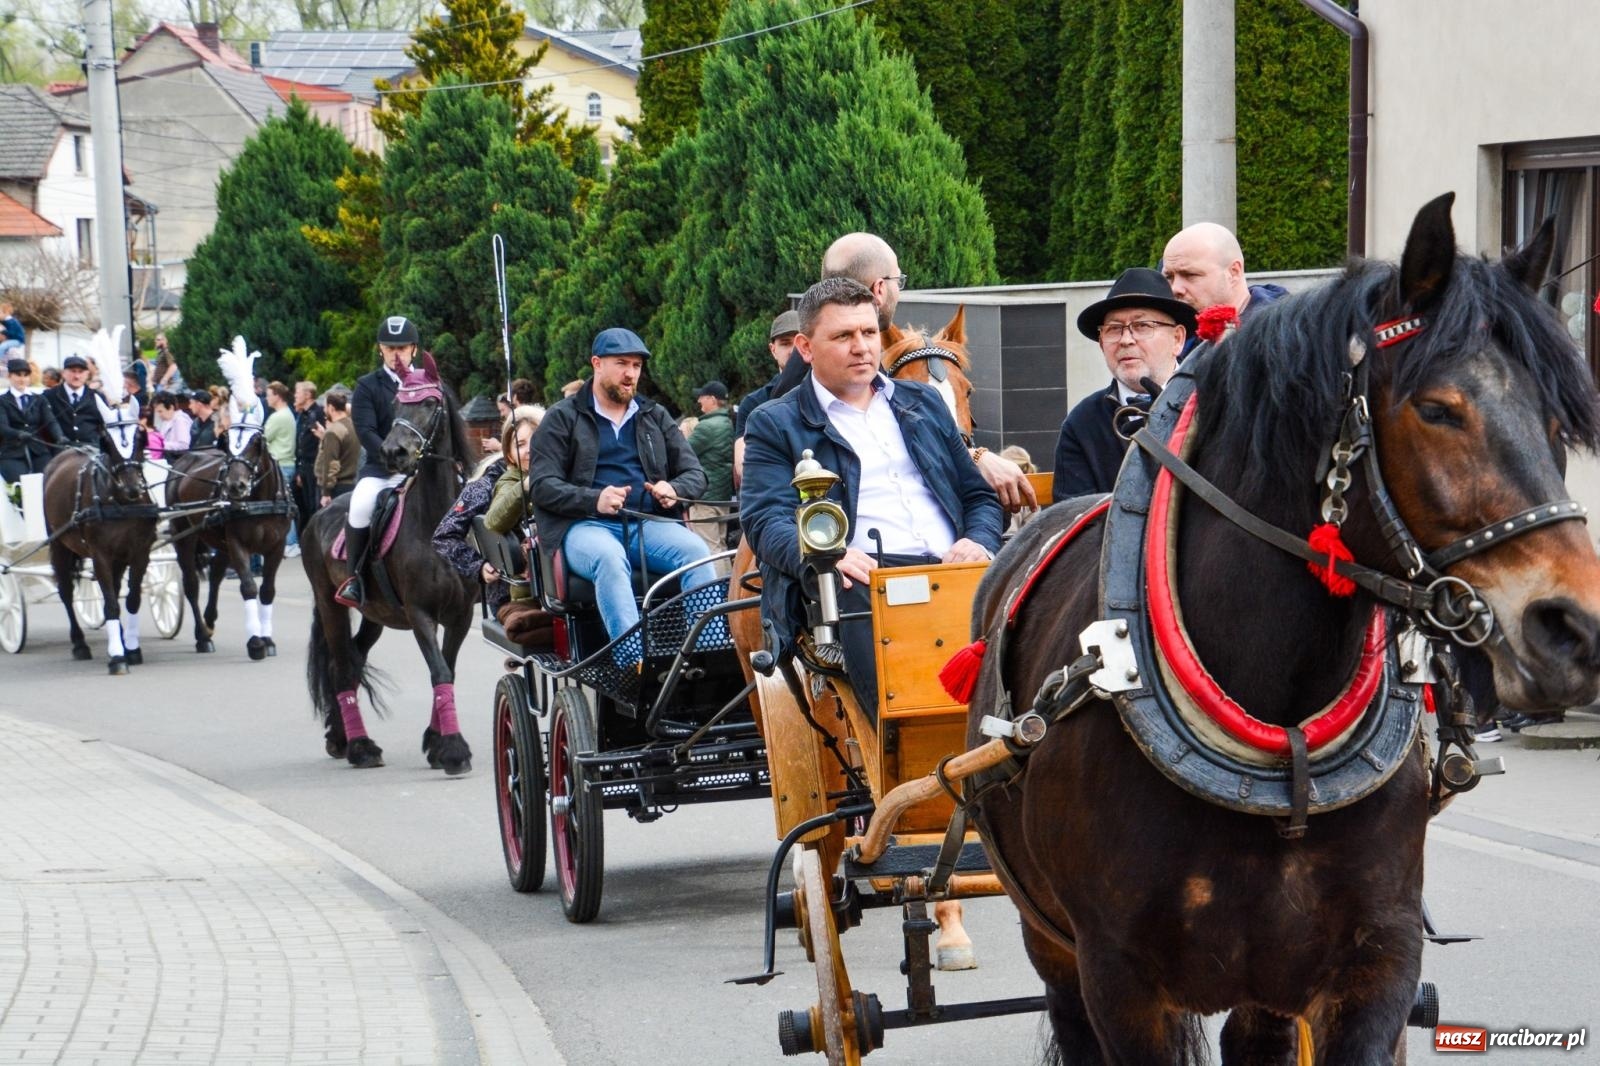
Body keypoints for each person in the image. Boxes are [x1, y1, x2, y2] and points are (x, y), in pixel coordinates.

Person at [741, 277, 1004, 723]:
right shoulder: (775, 423)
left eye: (868, 333)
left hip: (957, 566)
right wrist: (827, 556)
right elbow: (766, 520)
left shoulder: (922, 402)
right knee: (861, 601)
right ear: (805, 348)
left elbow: (977, 495)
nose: (862, 347)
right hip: (864, 582)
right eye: (843, 336)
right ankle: (902, 763)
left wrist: (978, 541)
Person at [526, 327, 716, 649]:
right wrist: (594, 500)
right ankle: (633, 662)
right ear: (597, 363)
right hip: (584, 527)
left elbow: (696, 474)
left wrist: (674, 487)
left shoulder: (654, 416)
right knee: (609, 558)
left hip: (646, 525)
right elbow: (542, 486)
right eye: (622, 364)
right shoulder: (561, 418)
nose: (630, 374)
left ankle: (708, 651)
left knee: (696, 552)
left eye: (637, 366)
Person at [821, 232, 1036, 513]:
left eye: (869, 334)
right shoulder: (838, 384)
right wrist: (975, 456)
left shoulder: (878, 378)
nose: (860, 348)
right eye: (899, 281)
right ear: (880, 289)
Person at [1051, 268, 1194, 502]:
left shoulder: (1210, 405)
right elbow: (1073, 520)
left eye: (1142, 326)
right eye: (1114, 329)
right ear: (1101, 344)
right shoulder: (1082, 424)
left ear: (1177, 339)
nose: (1126, 340)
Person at [335, 316, 416, 606]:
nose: (397, 354)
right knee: (360, 505)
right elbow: (366, 430)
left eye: (403, 348)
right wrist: (394, 458)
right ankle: (354, 577)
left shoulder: (428, 382)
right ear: (380, 349)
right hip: (382, 470)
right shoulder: (368, 386)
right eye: (390, 347)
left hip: (422, 469)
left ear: (413, 350)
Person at [1160, 222, 1289, 345]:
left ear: (1234, 272)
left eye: (1190, 275)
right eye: (1169, 277)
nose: (1175, 288)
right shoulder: (1170, 337)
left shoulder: (1284, 336)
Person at [482, 405, 547, 605]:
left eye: (536, 440)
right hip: (532, 589)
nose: (529, 450)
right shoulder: (509, 481)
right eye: (520, 444)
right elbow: (493, 521)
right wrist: (525, 486)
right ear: (509, 455)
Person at [688, 380, 735, 556]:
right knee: (720, 546)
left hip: (705, 497)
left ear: (712, 399)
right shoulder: (727, 423)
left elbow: (683, 452)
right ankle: (725, 584)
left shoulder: (707, 427)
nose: (699, 400)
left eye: (702, 396)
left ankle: (714, 585)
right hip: (721, 495)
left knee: (709, 548)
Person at [0, 356, 62, 483]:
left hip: (38, 449)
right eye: (18, 375)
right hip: (13, 451)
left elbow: (50, 421)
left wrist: (59, 436)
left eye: (25, 375)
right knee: (21, 484)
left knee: (49, 480)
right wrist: (18, 434)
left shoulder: (39, 399)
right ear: (10, 376)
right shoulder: (2, 401)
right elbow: (3, 426)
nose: (22, 379)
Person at [263, 381, 298, 555]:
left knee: (284, 506)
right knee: (285, 504)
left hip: (280, 464)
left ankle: (290, 542)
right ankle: (290, 541)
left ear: (277, 395)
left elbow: (263, 437)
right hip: (286, 463)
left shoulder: (278, 417)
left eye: (269, 395)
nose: (267, 399)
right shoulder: (287, 414)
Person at [44, 354, 104, 448]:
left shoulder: (97, 397)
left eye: (81, 372)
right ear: (63, 373)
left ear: (87, 374)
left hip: (91, 449)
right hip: (60, 449)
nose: (77, 376)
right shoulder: (49, 396)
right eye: (73, 371)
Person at [314, 390, 359, 506]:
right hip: (351, 484)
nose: (324, 411)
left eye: (325, 407)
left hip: (337, 488)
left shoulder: (333, 431)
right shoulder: (353, 426)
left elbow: (331, 464)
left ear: (331, 408)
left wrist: (326, 492)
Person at [292, 381, 324, 535]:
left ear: (308, 394)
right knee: (302, 505)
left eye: (297, 392)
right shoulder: (302, 415)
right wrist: (299, 469)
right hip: (303, 466)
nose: (295, 395)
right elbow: (300, 444)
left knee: (313, 505)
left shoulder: (318, 414)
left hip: (313, 467)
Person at [150, 390, 192, 455]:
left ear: (171, 407)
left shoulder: (181, 420)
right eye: (157, 412)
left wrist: (160, 444)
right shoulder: (165, 420)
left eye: (160, 411)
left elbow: (184, 445)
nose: (158, 415)